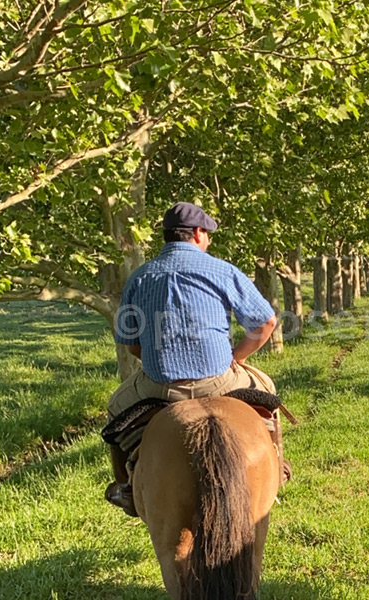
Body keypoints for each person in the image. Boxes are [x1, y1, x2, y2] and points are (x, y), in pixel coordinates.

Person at [104, 201, 282, 516]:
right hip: (219, 380)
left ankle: (126, 489)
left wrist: (160, 360)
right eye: (208, 234)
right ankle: (278, 468)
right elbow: (266, 322)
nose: (208, 240)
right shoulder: (222, 270)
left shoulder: (139, 277)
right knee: (266, 387)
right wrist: (236, 357)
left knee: (116, 407)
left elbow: (130, 343)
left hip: (160, 387)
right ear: (198, 233)